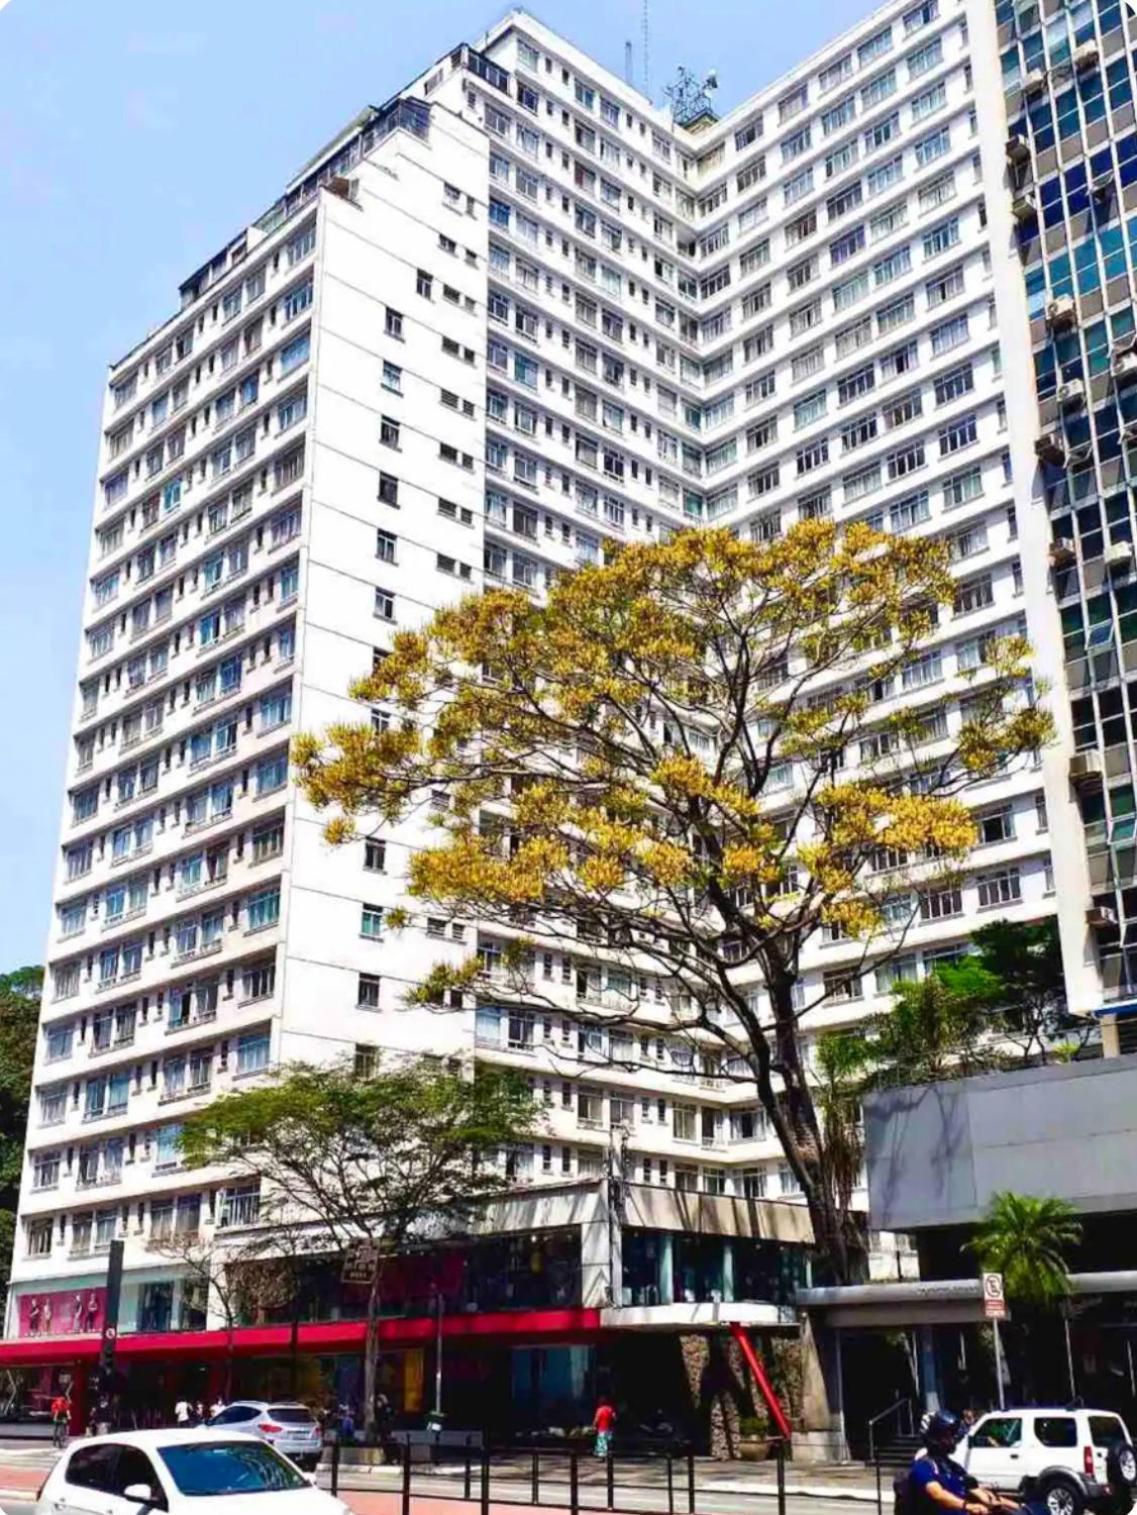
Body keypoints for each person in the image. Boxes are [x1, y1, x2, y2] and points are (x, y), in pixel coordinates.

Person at [909, 1411, 1021, 1515]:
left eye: (952, 1435)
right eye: (947, 1436)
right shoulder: (923, 1467)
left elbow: (978, 1492)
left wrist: (1019, 1507)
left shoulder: (953, 1467)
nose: (953, 1439)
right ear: (934, 1438)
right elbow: (937, 1494)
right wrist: (968, 1506)